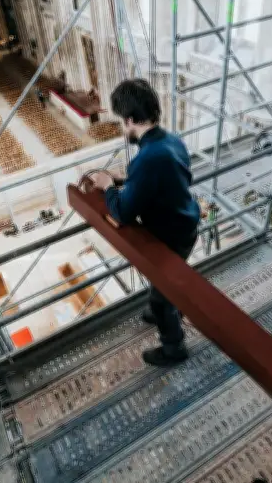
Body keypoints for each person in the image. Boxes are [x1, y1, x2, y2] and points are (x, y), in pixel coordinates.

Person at [90, 79, 200, 367]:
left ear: (129, 120)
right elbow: (172, 177)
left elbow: (123, 213)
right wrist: (129, 179)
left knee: (164, 296)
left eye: (121, 123)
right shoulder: (171, 141)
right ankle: (159, 305)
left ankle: (173, 347)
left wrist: (107, 187)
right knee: (162, 287)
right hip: (186, 223)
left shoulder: (148, 158)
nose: (122, 129)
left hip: (169, 237)